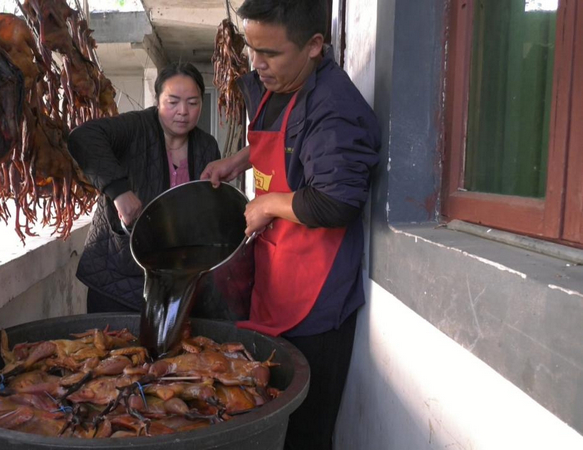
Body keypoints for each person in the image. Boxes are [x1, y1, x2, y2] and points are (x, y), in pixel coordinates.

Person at [200, 1, 380, 449]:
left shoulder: (334, 109)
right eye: (251, 48)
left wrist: (268, 206)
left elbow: (337, 201)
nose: (257, 63)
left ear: (314, 45)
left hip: (315, 300)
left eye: (271, 53)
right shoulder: (277, 84)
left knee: (304, 430)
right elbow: (280, 146)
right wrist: (238, 160)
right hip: (277, 273)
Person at [68, 62, 221, 314]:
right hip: (118, 279)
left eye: (193, 103)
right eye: (173, 102)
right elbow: (82, 138)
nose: (183, 111)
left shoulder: (206, 146)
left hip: (175, 283)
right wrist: (118, 191)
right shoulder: (135, 128)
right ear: (157, 100)